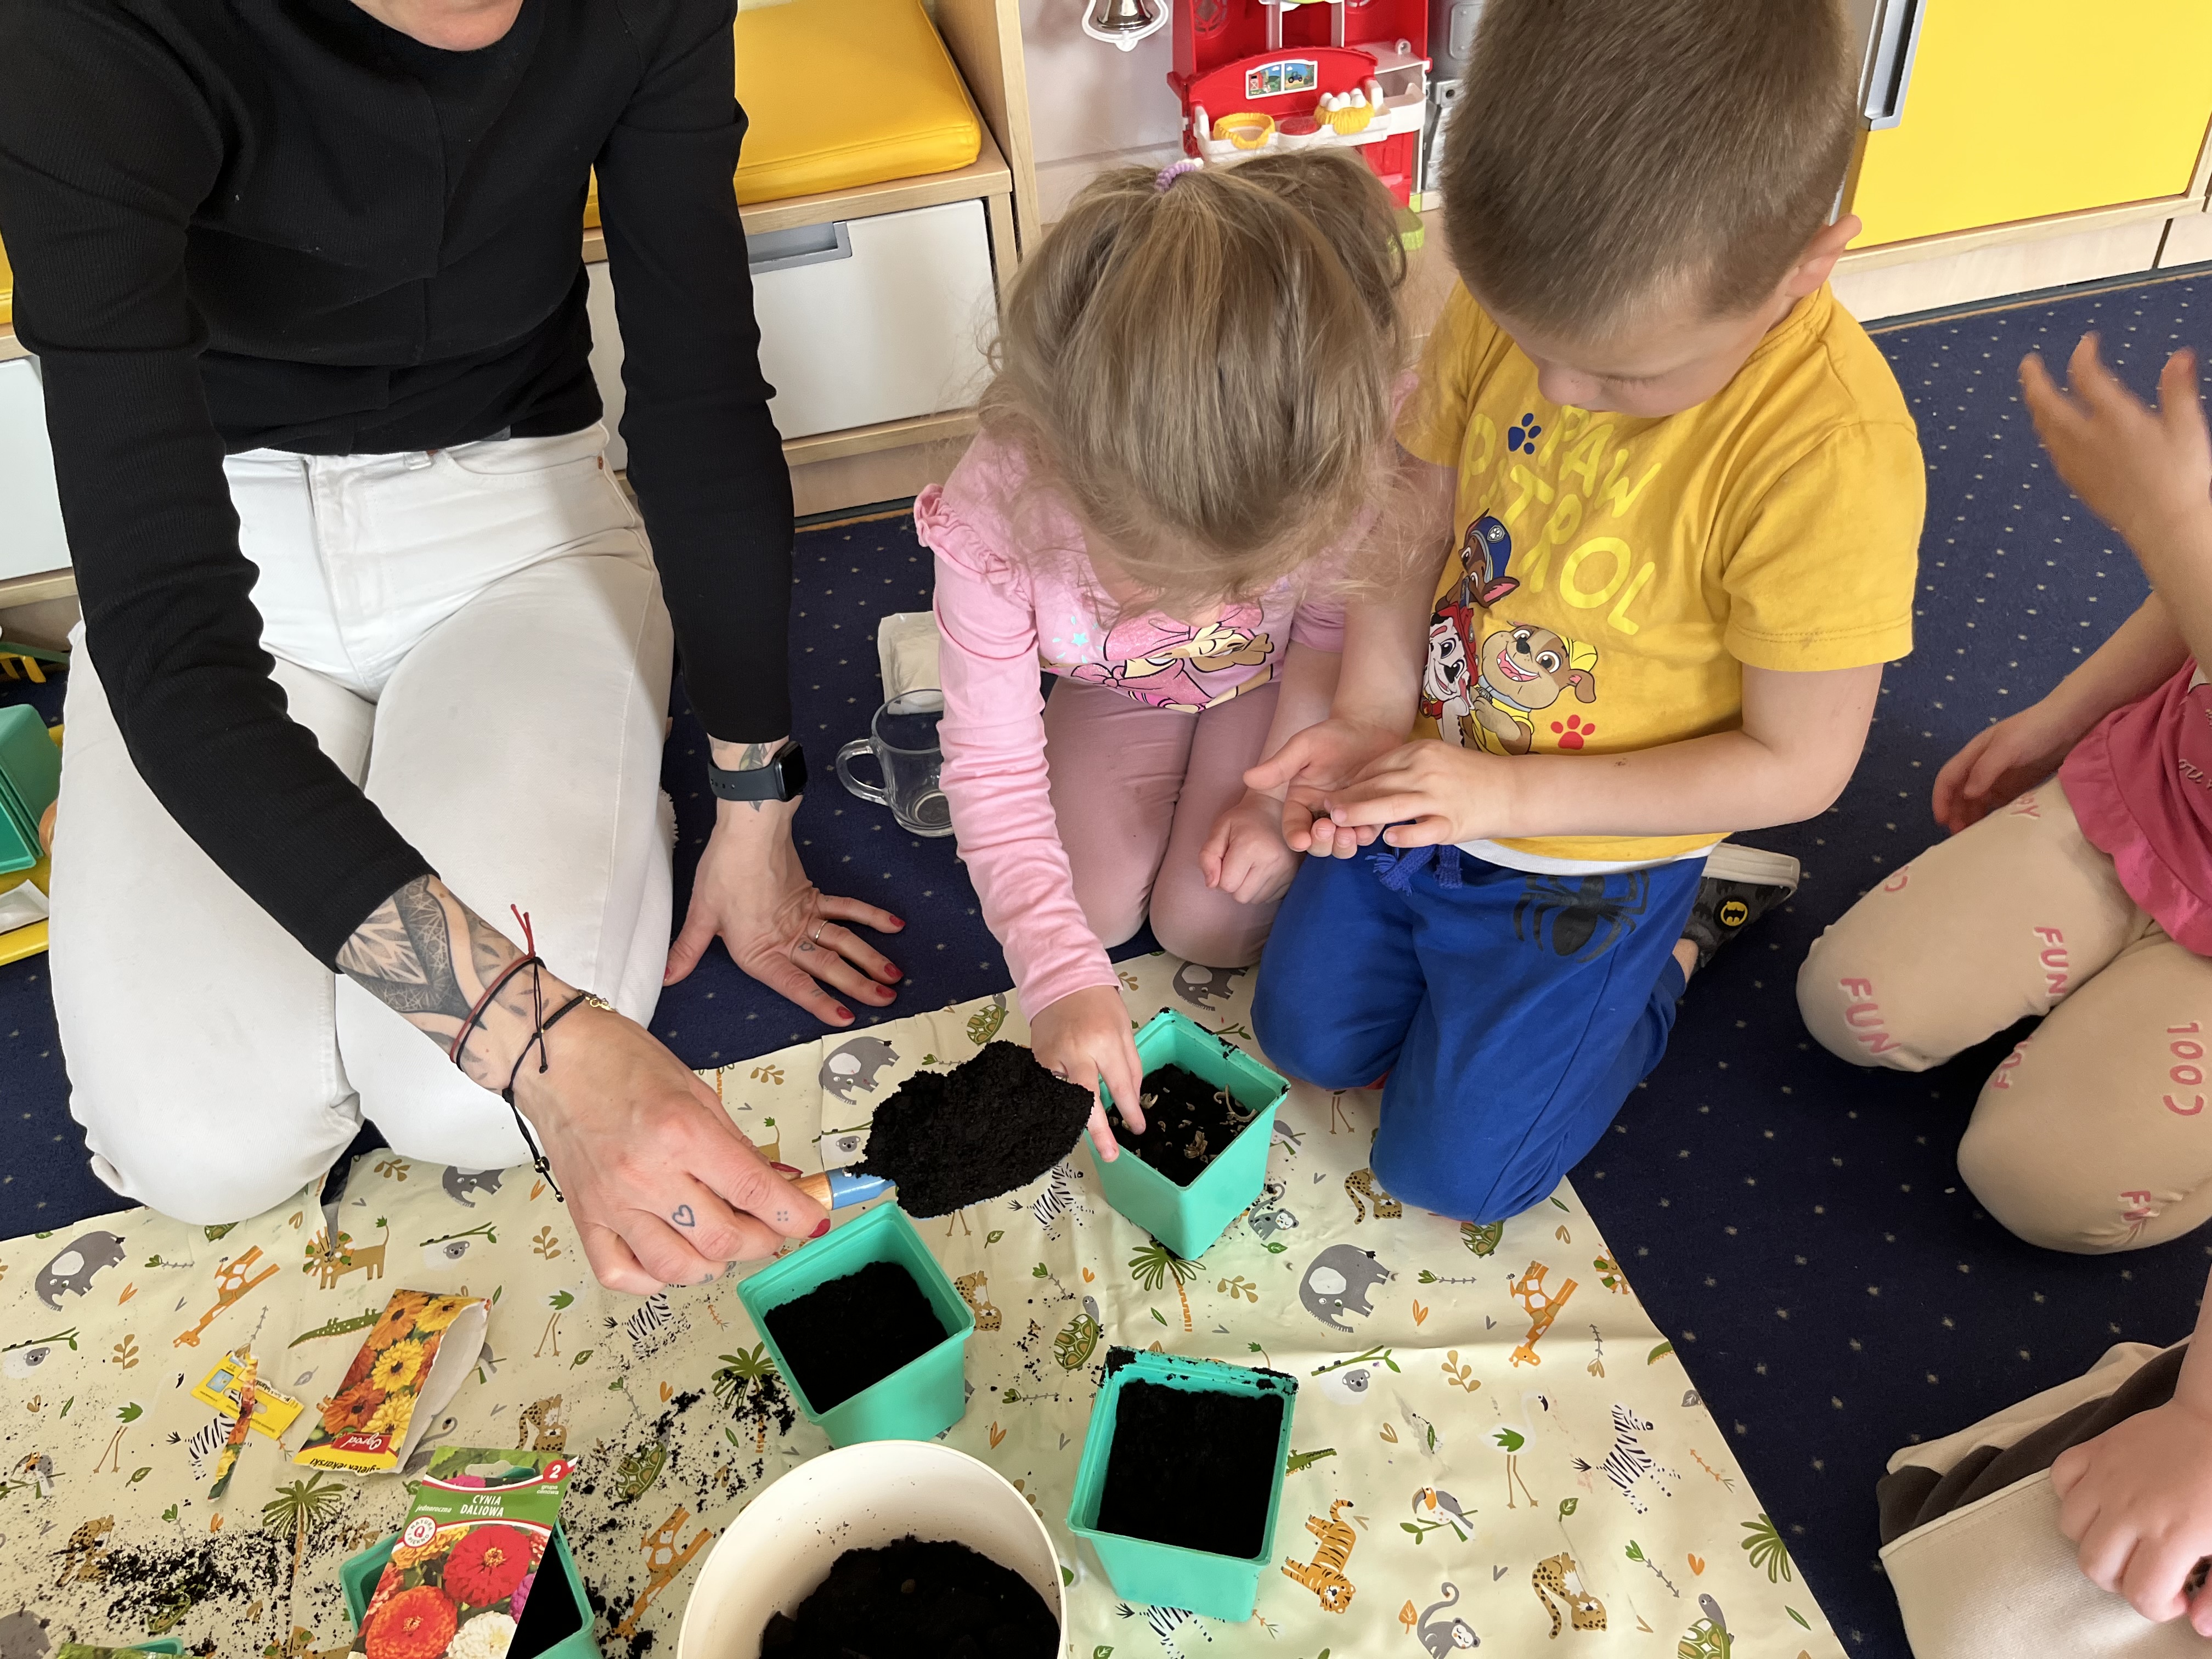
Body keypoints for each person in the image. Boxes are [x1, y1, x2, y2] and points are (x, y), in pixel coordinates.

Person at [0, 0, 907, 1293]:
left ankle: (593, 810)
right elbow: (174, 646)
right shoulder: (80, 29)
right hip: (217, 528)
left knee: (463, 1109)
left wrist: (755, 810)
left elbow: (701, 398)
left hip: (518, 519)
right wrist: (543, 1041)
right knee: (200, 1152)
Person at [1245, 0, 1925, 1223]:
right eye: (1525, 339)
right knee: (1307, 1043)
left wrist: (1505, 801)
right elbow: (1414, 512)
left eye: (1626, 374)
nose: (1559, 391)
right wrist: (1369, 710)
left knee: (1453, 1180)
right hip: (1429, 777)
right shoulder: (1529, 285)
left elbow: (1802, 766)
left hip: (1598, 860)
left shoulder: (1829, 457)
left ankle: (1674, 949)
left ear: (1806, 265)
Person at [916, 151, 1406, 1148]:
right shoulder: (995, 514)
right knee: (1086, 914)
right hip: (1116, 689)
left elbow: (1324, 637)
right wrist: (1059, 977)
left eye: (1242, 579)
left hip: (1270, 688)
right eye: (1159, 583)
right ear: (1059, 478)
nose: (1208, 607)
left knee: (1209, 925)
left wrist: (1275, 801)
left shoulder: (1329, 459)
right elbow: (991, 765)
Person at [1801, 334, 2212, 1255]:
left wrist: (2173, 521)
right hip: (2150, 797)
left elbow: (2191, 550)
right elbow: (2193, 591)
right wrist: (2061, 720)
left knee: (2033, 1184)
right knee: (1855, 1004)